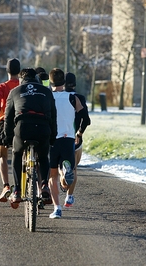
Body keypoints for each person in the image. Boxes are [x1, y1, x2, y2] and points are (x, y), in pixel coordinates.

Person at [4, 68, 57, 208]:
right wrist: (52, 137)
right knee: (44, 156)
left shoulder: (14, 91)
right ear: (37, 79)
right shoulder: (47, 92)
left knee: (16, 153)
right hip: (43, 128)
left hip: (23, 128)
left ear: (21, 80)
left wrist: (8, 138)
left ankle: (17, 190)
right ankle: (45, 184)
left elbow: (8, 118)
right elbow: (53, 116)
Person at [48, 68, 88, 219]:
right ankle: (66, 170)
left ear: (50, 82)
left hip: (52, 140)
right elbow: (85, 116)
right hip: (68, 138)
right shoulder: (73, 97)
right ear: (64, 82)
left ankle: (57, 208)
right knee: (69, 166)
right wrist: (79, 132)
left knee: (52, 176)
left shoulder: (48, 96)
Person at [0, 58, 21, 203]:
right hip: (22, 123)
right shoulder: (23, 85)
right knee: (21, 153)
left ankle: (6, 186)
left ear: (7, 70)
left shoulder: (1, 87)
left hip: (5, 123)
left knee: (3, 155)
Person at [61, 72, 91, 207]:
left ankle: (63, 176)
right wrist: (79, 133)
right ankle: (69, 197)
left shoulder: (59, 97)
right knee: (74, 168)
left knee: (58, 166)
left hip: (60, 136)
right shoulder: (80, 98)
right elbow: (86, 120)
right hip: (75, 139)